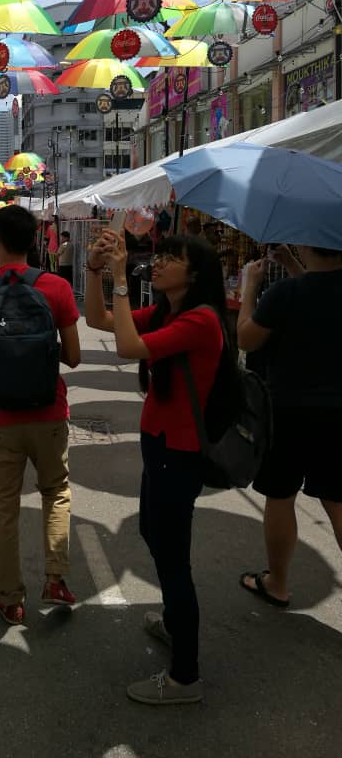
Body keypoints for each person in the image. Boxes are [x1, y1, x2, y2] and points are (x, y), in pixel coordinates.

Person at [85, 231, 225, 705]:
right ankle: (172, 621)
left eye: (171, 258)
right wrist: (94, 270)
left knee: (172, 556)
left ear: (195, 273)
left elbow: (127, 347)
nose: (159, 262)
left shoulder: (202, 320)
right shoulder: (169, 312)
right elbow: (99, 320)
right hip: (160, 443)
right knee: (153, 532)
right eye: (160, 255)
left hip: (180, 451)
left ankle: (185, 676)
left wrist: (120, 275)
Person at [0, 205, 81, 626]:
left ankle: (10, 598)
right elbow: (74, 357)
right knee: (56, 491)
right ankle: (56, 579)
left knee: (3, 507)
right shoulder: (56, 287)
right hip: (49, 411)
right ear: (33, 241)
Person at [237, 243, 342, 609]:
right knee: (337, 500)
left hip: (288, 411)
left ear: (304, 241)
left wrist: (250, 286)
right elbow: (320, 297)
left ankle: (277, 583)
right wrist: (295, 265)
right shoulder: (304, 287)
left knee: (281, 496)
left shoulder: (284, 293)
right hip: (338, 412)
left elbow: (246, 338)